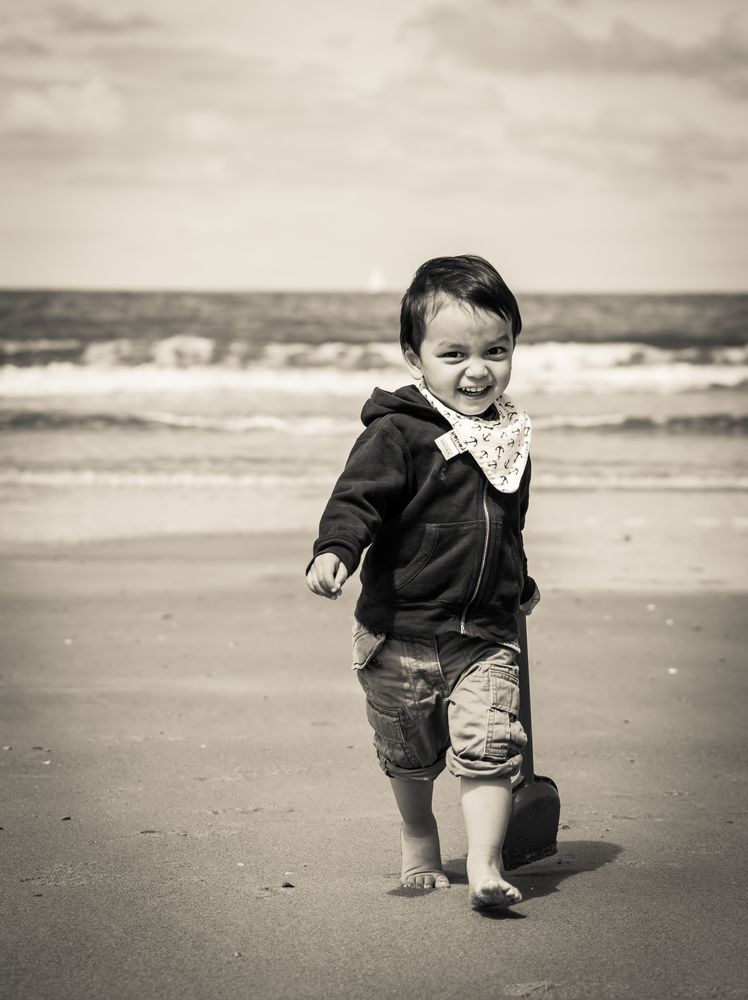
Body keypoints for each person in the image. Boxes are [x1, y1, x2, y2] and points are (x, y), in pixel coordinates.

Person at [306, 254, 540, 911]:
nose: (478, 369)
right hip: (399, 633)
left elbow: (505, 526)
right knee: (409, 755)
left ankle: (488, 866)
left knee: (491, 749)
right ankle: (418, 836)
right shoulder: (397, 434)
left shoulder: (509, 437)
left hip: (484, 635)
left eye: (496, 349)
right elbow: (357, 501)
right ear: (416, 357)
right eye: (454, 353)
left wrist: (518, 582)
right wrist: (335, 551)